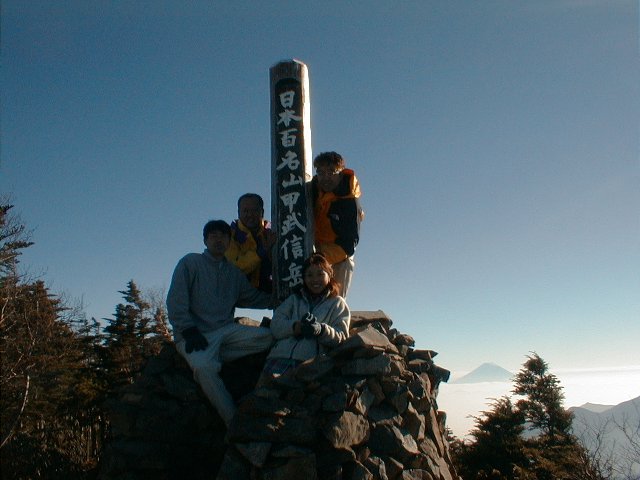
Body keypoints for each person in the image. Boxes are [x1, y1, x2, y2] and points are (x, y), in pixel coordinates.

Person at [166, 219, 273, 426]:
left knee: (270, 337)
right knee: (204, 369)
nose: (218, 240)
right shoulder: (190, 263)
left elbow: (252, 298)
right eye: (213, 235)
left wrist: (281, 298)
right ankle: (233, 422)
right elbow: (176, 300)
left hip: (225, 332)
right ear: (205, 240)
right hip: (194, 336)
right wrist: (187, 329)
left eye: (223, 236)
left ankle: (217, 357)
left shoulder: (233, 273)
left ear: (229, 241)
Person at [259, 253, 350, 385]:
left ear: (329, 275)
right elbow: (276, 324)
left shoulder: (337, 303)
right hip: (278, 358)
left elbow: (341, 336)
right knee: (260, 400)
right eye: (309, 275)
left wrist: (321, 330)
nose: (315, 280)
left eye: (320, 274)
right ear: (304, 278)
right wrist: (296, 327)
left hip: (309, 364)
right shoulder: (294, 299)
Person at [311, 151, 364, 298]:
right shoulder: (313, 190)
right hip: (315, 251)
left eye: (331, 172)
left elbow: (349, 244)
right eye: (321, 172)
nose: (325, 177)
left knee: (334, 301)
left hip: (340, 257)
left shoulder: (349, 201)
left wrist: (319, 257)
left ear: (340, 174)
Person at [225, 193, 276, 293]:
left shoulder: (272, 231)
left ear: (262, 212)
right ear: (238, 213)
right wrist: (261, 253)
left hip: (269, 288)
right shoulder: (230, 233)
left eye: (255, 211)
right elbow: (235, 268)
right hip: (238, 291)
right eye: (245, 211)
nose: (250, 215)